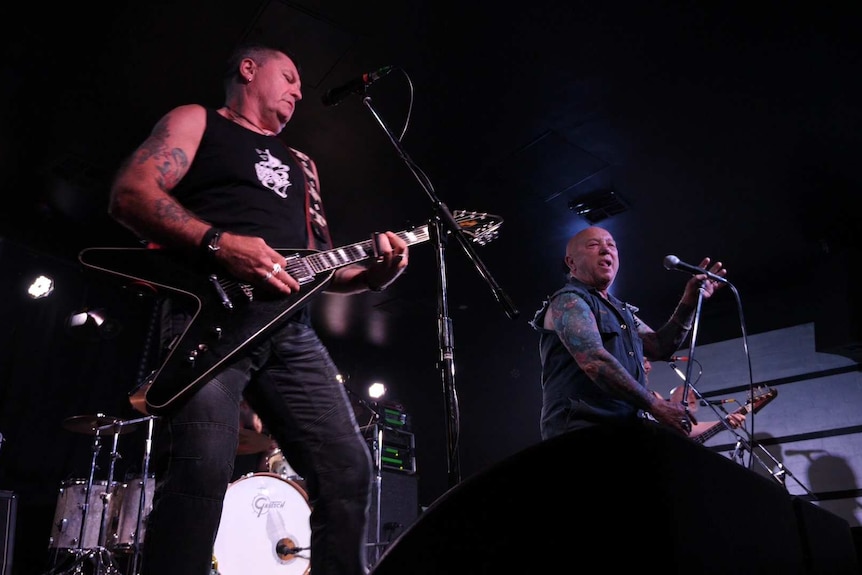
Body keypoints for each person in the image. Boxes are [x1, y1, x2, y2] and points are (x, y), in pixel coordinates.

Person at [107, 41, 408, 575]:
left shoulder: (303, 164)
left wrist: (374, 275)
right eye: (289, 76)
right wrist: (221, 244)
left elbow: (322, 265)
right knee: (200, 475)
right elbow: (130, 193)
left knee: (347, 467)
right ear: (249, 69)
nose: (298, 90)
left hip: (290, 331)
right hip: (208, 318)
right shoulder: (197, 120)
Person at [529, 225, 726, 440]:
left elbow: (660, 346)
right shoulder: (569, 300)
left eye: (612, 245)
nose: (606, 250)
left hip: (625, 430)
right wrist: (654, 404)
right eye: (594, 245)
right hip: (581, 432)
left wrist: (689, 301)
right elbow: (595, 360)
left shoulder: (621, 311)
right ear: (571, 262)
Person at [643, 359, 746, 438]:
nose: (649, 366)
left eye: (648, 361)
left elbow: (687, 429)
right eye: (643, 361)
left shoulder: (654, 396)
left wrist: (726, 422)